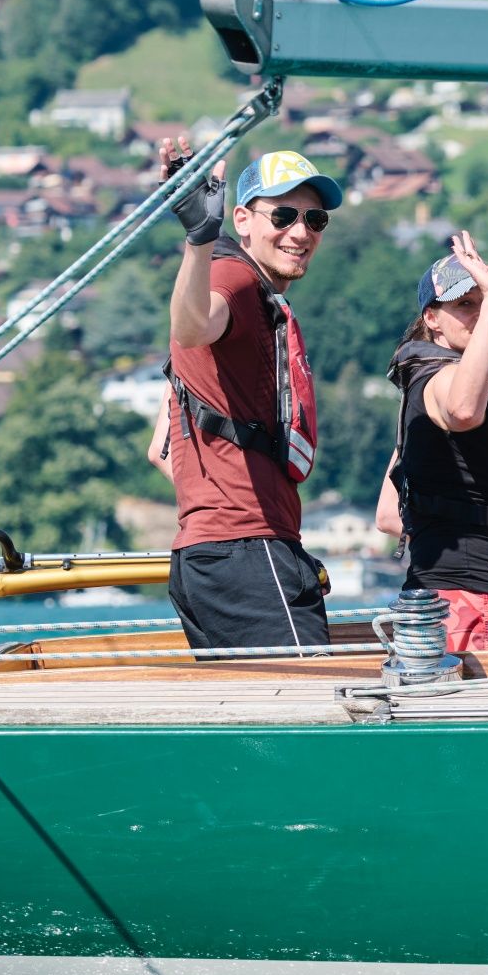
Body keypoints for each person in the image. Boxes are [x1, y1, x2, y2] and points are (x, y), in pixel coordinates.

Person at [161, 145, 343, 656]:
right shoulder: (234, 278)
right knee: (313, 718)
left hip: (215, 555)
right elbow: (193, 326)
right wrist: (199, 240)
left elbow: (163, 448)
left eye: (315, 218)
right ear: (241, 219)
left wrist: (213, 503)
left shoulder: (254, 294)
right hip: (246, 551)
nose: (301, 232)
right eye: (283, 215)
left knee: (260, 724)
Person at [374, 234, 488, 654]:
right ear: (431, 318)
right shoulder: (443, 380)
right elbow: (466, 410)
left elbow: (387, 514)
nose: (475, 314)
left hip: (438, 596)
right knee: (474, 719)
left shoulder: (418, 388)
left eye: (480, 301)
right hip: (470, 601)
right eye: (464, 305)